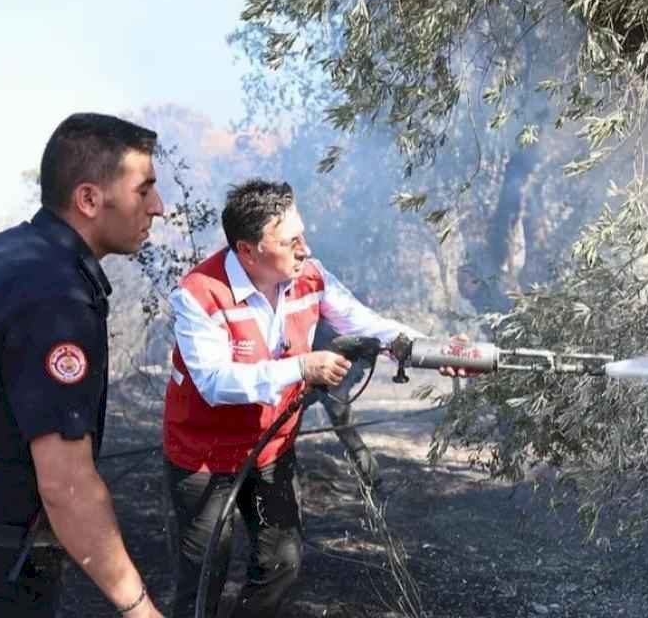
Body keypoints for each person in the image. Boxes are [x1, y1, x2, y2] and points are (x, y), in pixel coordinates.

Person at [162, 179, 465, 618]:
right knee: (203, 578)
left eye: (303, 234)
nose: (304, 248)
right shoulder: (199, 293)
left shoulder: (310, 277)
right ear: (249, 251)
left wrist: (433, 351)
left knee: (281, 564)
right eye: (290, 241)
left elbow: (368, 324)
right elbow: (214, 381)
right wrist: (302, 367)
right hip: (202, 459)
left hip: (270, 451)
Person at [0, 113, 166, 617]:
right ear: (88, 199)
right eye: (144, 190)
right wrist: (139, 608)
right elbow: (66, 487)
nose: (158, 208)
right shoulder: (54, 295)